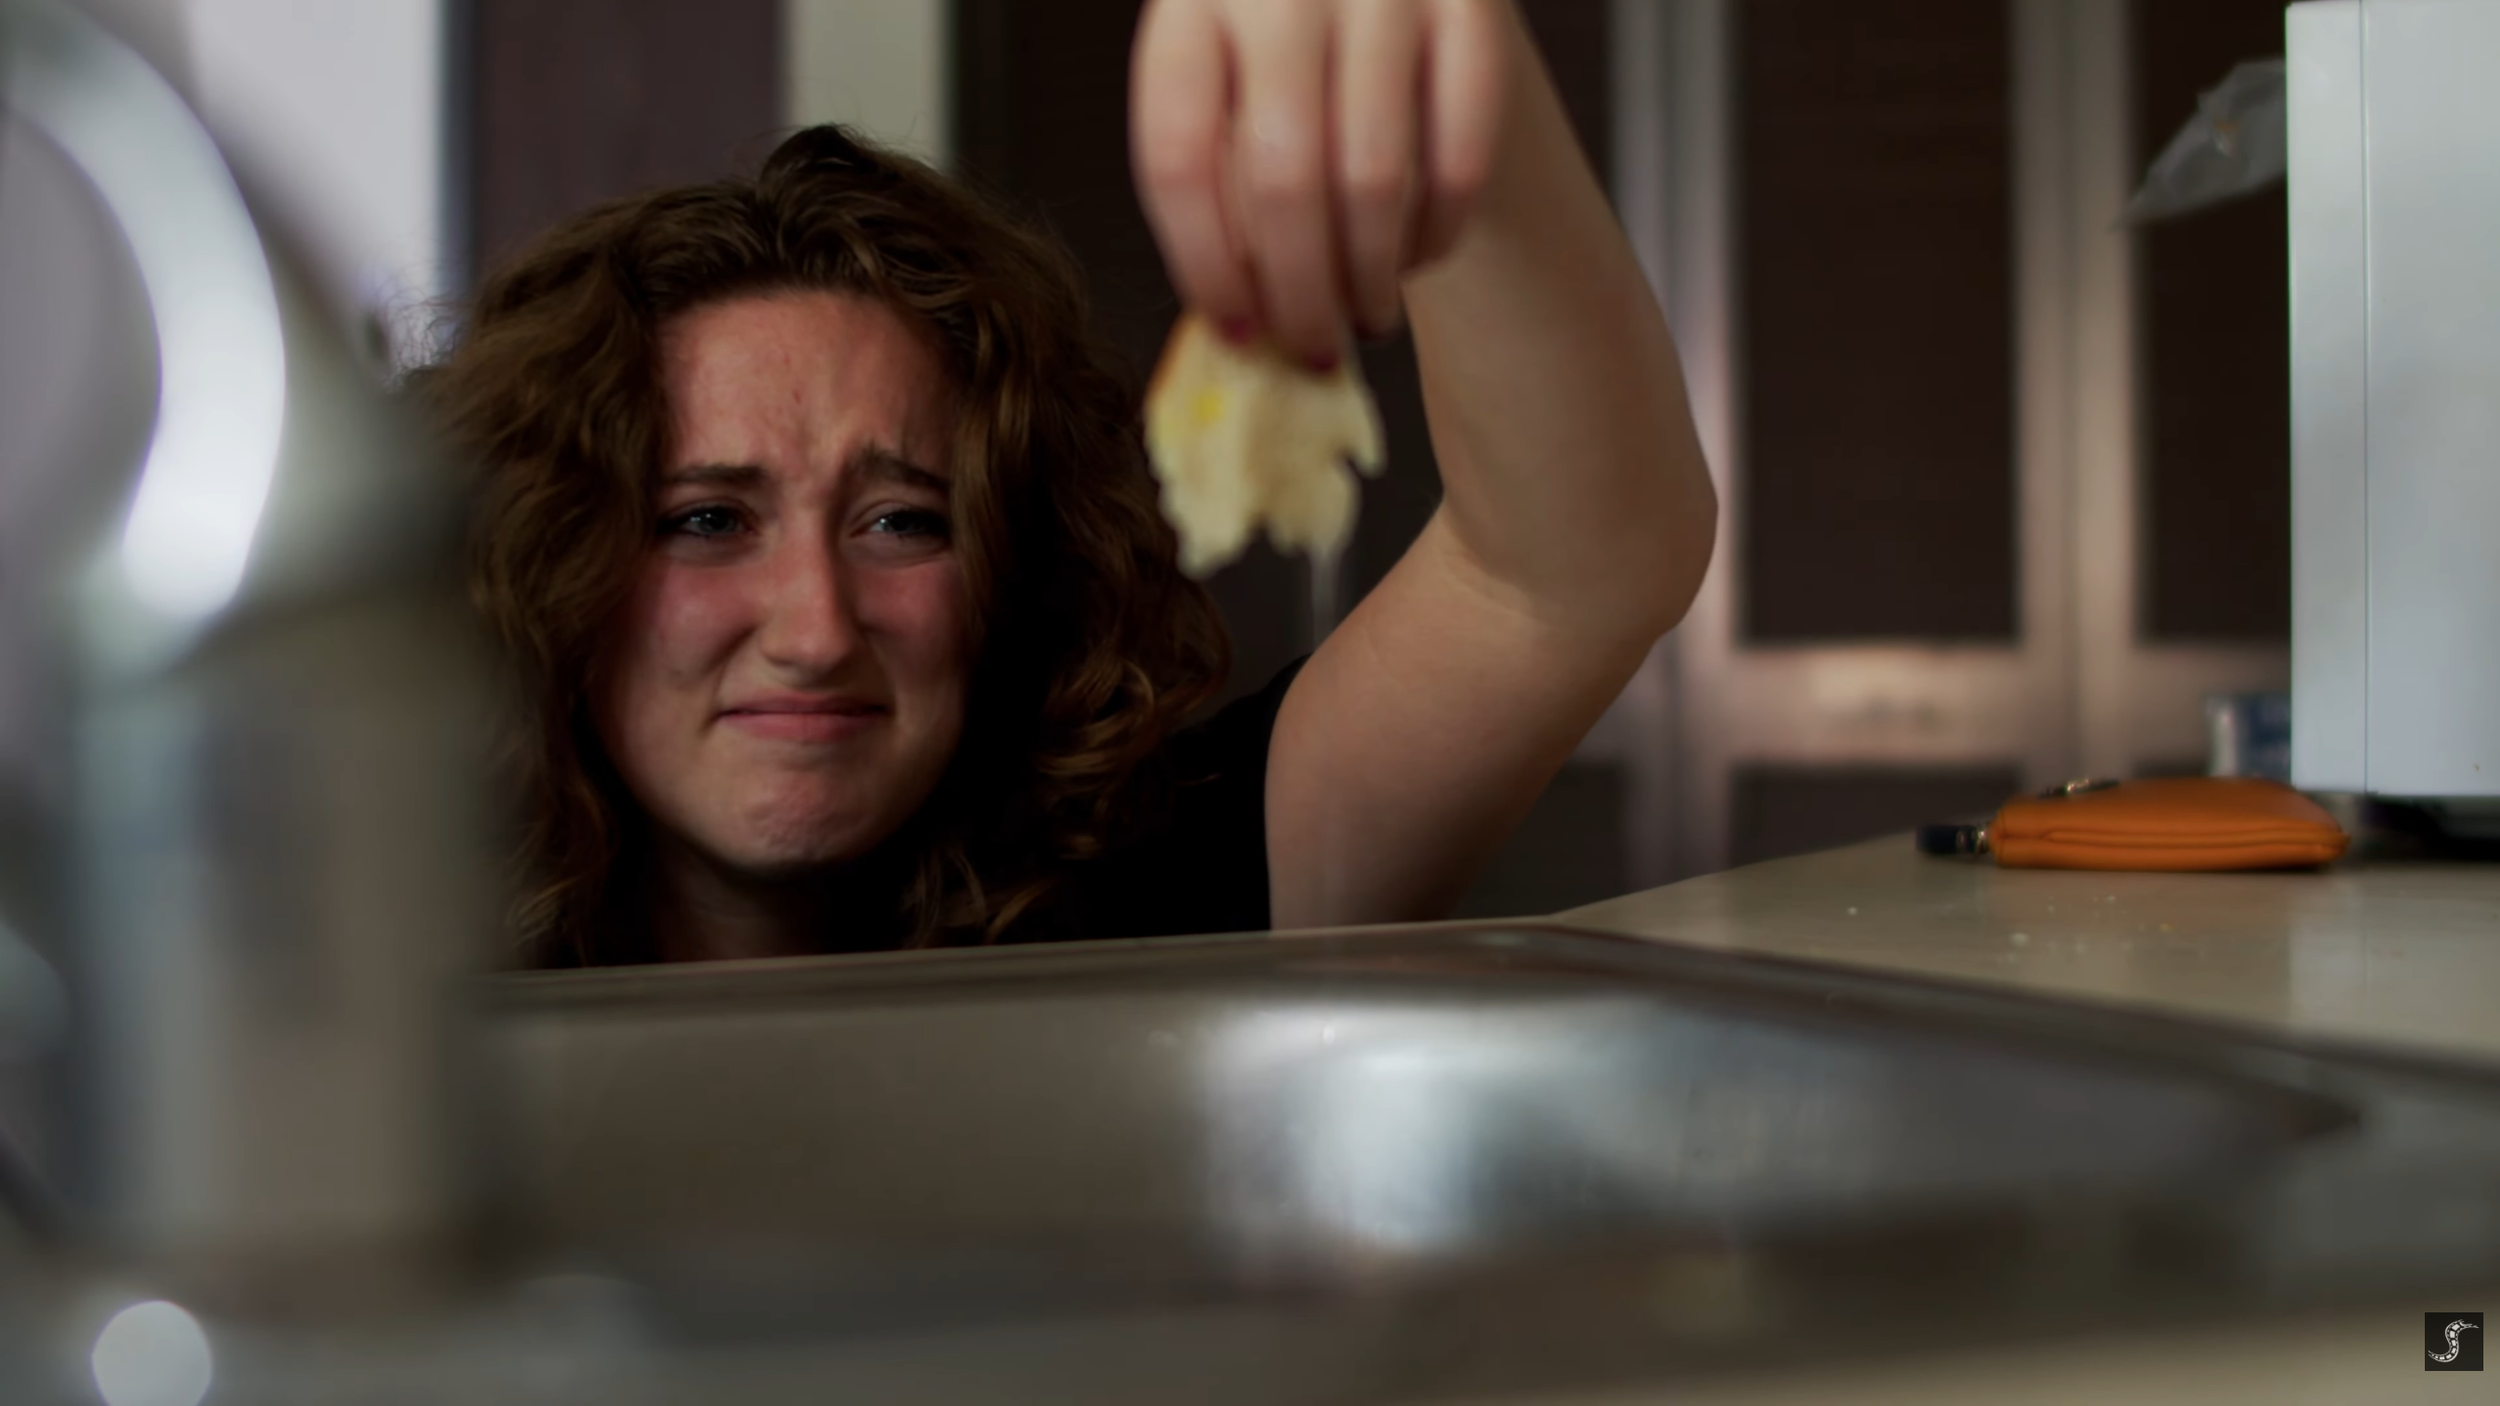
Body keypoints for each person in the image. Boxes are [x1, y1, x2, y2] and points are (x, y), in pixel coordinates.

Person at [425, 0, 1716, 968]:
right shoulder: (384, 988)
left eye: (902, 520)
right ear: (550, 569)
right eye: (708, 521)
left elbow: (1566, 572)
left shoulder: (1155, 889)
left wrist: (1444, 75)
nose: (815, 631)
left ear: (1010, 564)